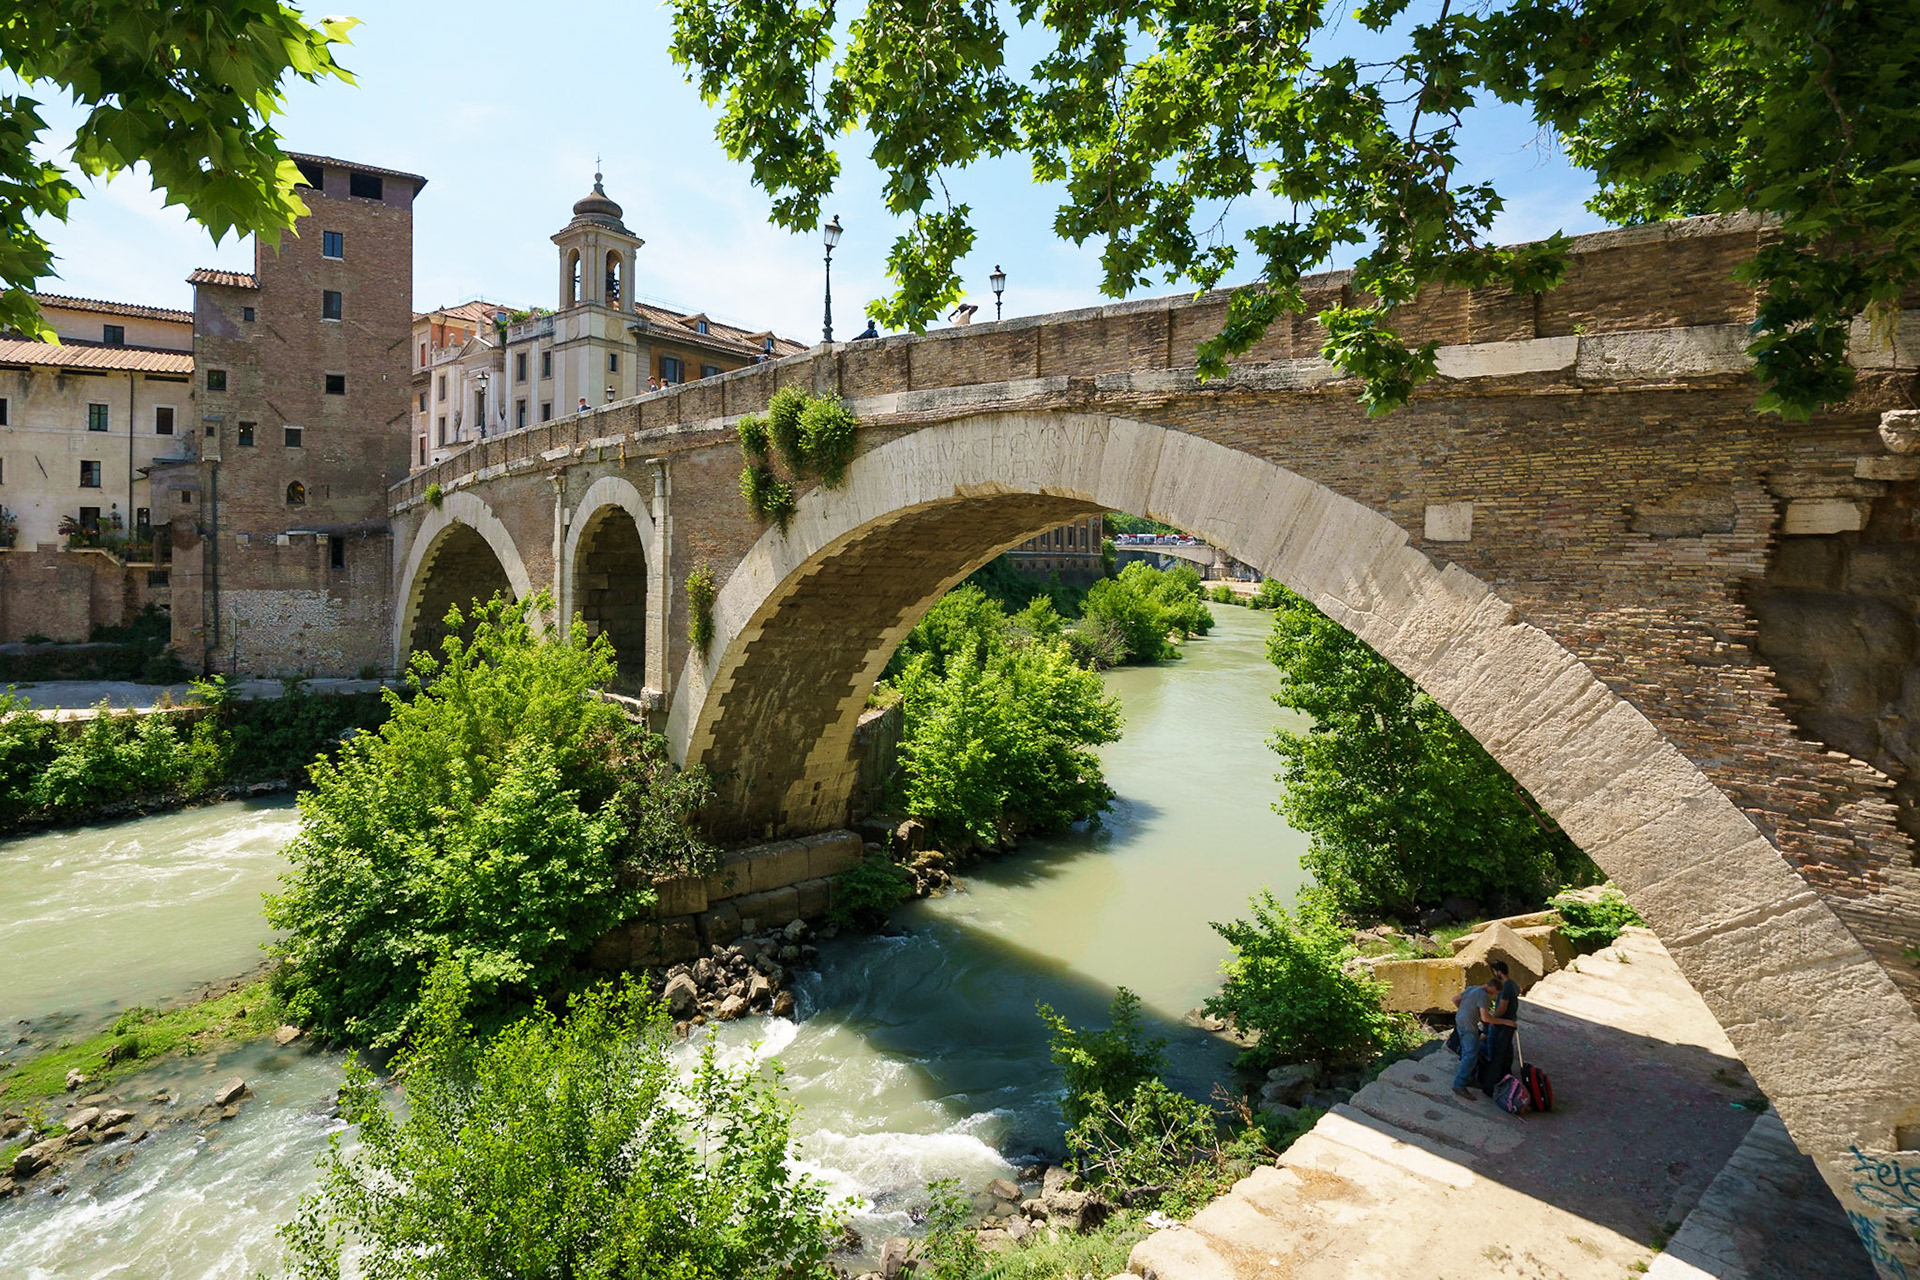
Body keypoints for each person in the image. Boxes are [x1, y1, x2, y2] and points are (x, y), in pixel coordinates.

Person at [1476, 960, 1522, 1095]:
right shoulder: (1513, 984)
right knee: (1506, 1047)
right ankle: (1505, 1071)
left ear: (1499, 972)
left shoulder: (1506, 986)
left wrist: (1491, 1020)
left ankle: (1491, 1072)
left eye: (1495, 971)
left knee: (1492, 1046)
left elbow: (1502, 1007)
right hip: (1510, 1020)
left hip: (1501, 1022)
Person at [1450, 979, 1490, 1099]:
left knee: (1465, 1051)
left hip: (1460, 1022)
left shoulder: (1471, 988)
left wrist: (1463, 1010)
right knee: (1471, 1054)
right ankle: (1460, 1084)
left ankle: (1468, 1078)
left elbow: (1455, 999)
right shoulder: (1483, 995)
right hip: (1469, 1026)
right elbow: (1485, 1017)